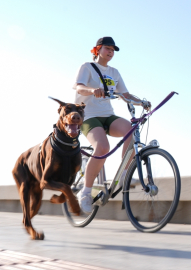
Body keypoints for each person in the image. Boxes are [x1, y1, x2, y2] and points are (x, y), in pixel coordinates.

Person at [73, 36, 150, 214]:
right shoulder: (87, 67)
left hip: (108, 115)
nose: (111, 52)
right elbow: (78, 87)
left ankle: (124, 174)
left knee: (132, 131)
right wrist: (93, 90)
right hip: (89, 115)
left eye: (113, 50)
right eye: (107, 48)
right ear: (97, 49)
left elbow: (126, 95)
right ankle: (85, 193)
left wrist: (142, 102)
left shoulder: (114, 72)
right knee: (102, 147)